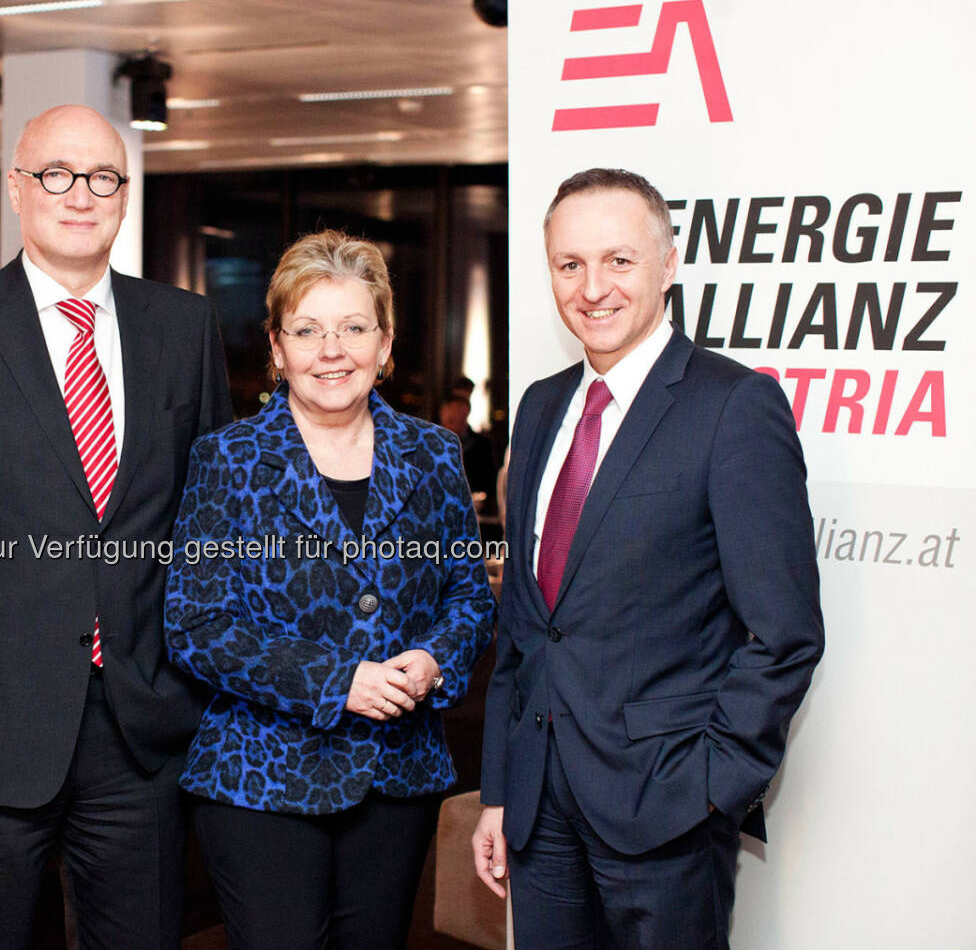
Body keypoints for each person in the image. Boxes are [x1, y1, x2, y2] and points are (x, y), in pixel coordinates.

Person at [0, 103, 233, 950]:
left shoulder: (184, 326)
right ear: (18, 189)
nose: (80, 195)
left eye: (103, 177)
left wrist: (198, 698)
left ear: (125, 197)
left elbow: (209, 532)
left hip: (142, 729)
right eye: (56, 174)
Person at [471, 168, 824, 948]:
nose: (592, 287)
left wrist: (709, 788)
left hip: (666, 814)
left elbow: (785, 631)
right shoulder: (538, 406)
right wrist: (500, 789)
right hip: (538, 811)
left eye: (618, 261)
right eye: (570, 265)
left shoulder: (733, 406)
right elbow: (525, 629)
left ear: (668, 264)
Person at [165, 230, 495, 950]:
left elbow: (469, 597)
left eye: (353, 328)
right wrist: (337, 681)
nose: (332, 350)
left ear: (385, 344)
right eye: (308, 330)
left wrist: (436, 657)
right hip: (262, 777)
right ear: (278, 350)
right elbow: (197, 624)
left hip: (397, 773)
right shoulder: (228, 459)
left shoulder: (433, 454)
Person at [438, 392, 498, 497]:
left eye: (460, 421)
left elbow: (489, 484)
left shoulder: (482, 446)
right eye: (451, 421)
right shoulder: (430, 444)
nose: (455, 427)